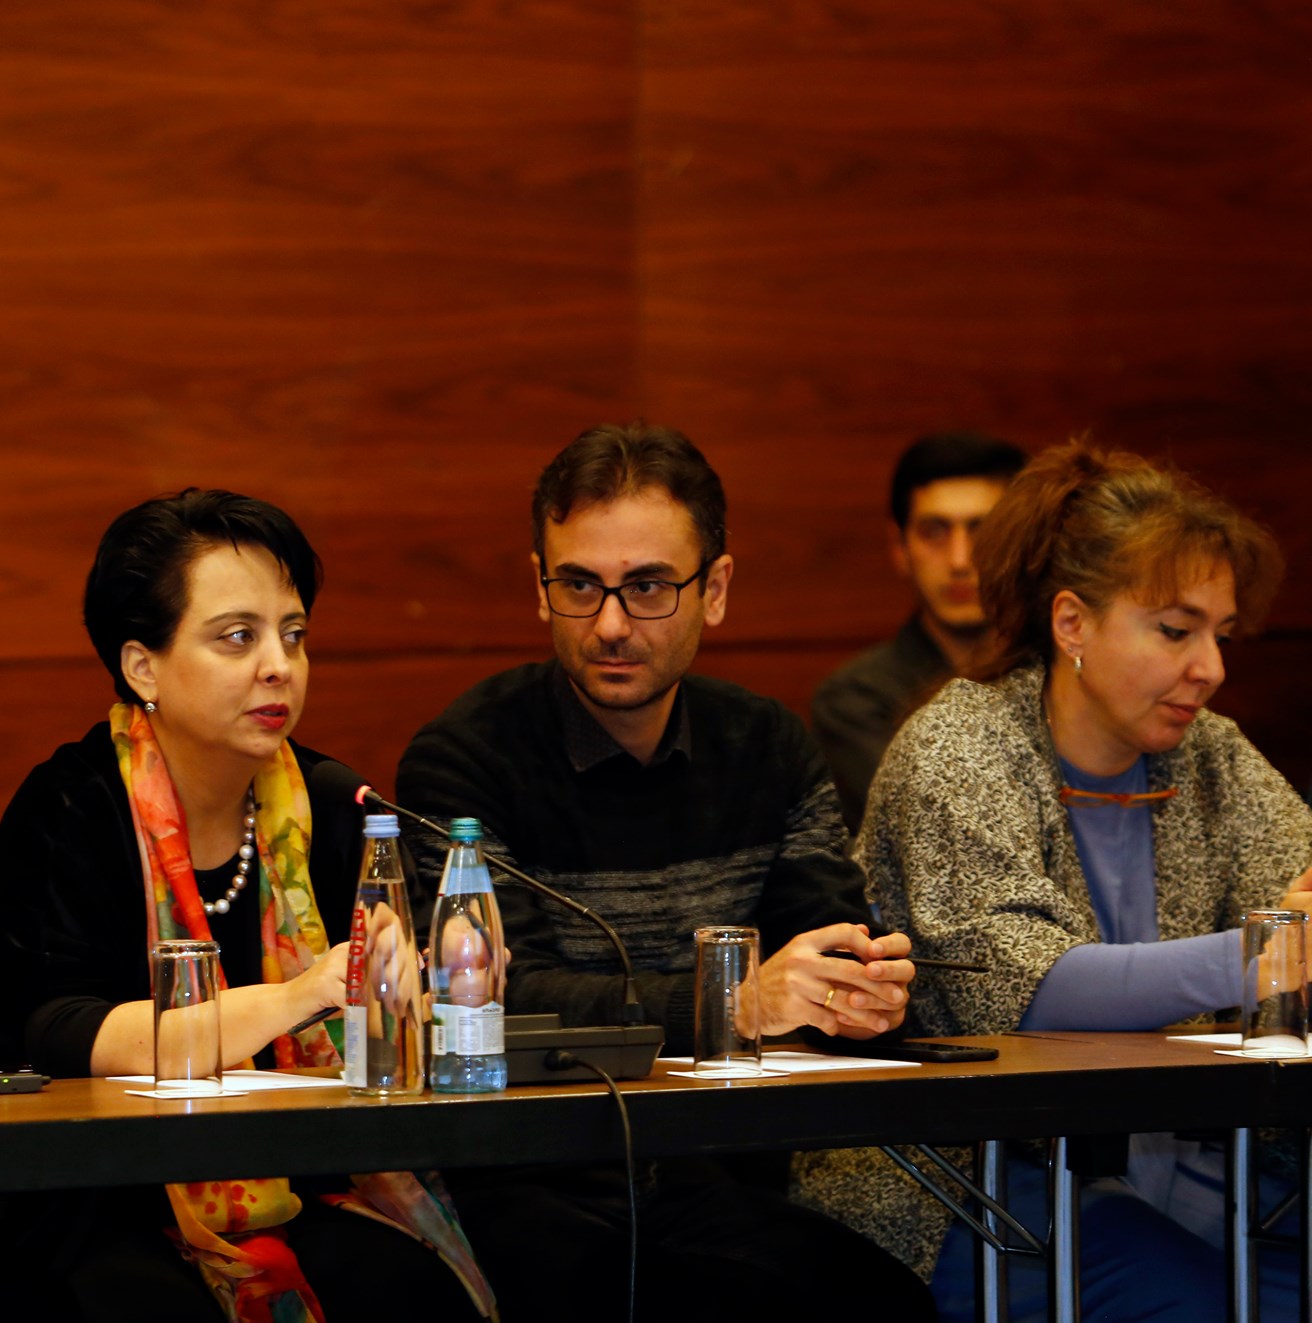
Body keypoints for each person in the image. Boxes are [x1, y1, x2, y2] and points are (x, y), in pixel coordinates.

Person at [395, 422, 935, 1321]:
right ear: (539, 587)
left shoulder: (768, 747)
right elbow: (498, 998)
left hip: (714, 1175)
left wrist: (856, 988)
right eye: (579, 585)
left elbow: (822, 946)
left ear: (713, 590)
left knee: (883, 1303)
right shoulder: (464, 760)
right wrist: (732, 1004)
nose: (611, 624)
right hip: (523, 1180)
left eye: (647, 586)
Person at [0, 489, 494, 1323]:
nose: (279, 665)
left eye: (293, 634)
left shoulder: (332, 806)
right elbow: (65, 1034)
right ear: (142, 666)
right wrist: (303, 994)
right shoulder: (72, 808)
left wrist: (428, 988)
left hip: (284, 1176)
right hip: (74, 1188)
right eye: (237, 636)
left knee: (410, 1286)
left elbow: (379, 1038)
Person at [794, 442, 1312, 1321]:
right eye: (1176, 630)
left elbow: (1296, 900)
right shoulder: (959, 744)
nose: (1212, 668)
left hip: (1191, 1158)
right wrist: (1270, 954)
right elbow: (1027, 991)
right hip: (967, 1185)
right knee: (1194, 1298)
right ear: (1072, 623)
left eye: (1221, 635)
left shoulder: (1213, 754)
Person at [812, 431, 1026, 828]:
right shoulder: (857, 701)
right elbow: (938, 830)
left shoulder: (1060, 678)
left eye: (983, 529)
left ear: (1022, 543)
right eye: (934, 531)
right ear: (900, 548)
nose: (960, 560)